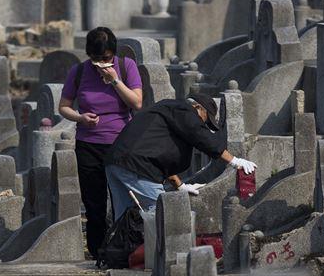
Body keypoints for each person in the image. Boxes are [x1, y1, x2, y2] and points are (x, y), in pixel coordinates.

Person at [58, 27, 143, 259]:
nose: (101, 63)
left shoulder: (126, 67)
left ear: (113, 55)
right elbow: (63, 106)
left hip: (120, 143)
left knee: (123, 200)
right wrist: (80, 118)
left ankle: (125, 247)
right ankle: (98, 252)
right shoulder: (78, 72)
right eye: (96, 59)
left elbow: (136, 103)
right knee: (94, 204)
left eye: (106, 58)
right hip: (88, 143)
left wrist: (114, 80)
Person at [104, 93, 256, 220]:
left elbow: (159, 156)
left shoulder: (167, 111)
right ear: (197, 107)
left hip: (117, 163)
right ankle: (161, 255)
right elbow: (201, 136)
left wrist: (180, 185)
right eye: (205, 119)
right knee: (165, 215)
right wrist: (235, 161)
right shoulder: (184, 110)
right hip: (137, 166)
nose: (203, 124)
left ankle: (121, 255)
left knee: (124, 219)